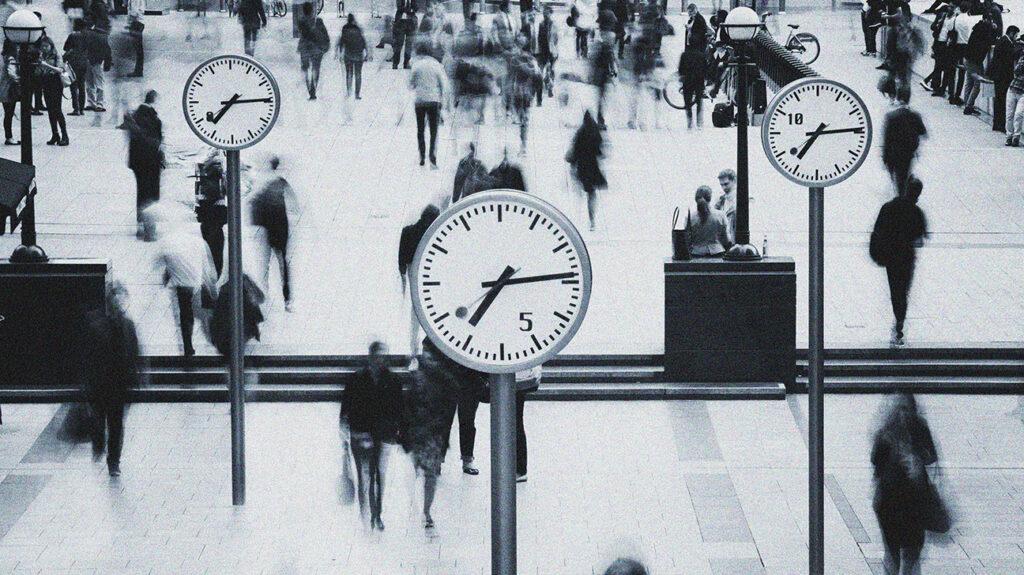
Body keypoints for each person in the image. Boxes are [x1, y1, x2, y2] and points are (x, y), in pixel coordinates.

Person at [871, 394, 944, 575]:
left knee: (901, 553)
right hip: (902, 502)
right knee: (905, 554)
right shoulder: (905, 429)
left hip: (900, 502)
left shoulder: (892, 431)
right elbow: (932, 457)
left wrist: (914, 459)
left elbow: (875, 461)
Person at [340, 341, 403, 531]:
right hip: (362, 434)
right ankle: (366, 514)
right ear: (371, 356)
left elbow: (398, 410)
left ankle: (377, 514)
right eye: (378, 356)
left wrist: (398, 433)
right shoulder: (357, 379)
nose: (381, 360)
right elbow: (346, 409)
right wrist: (346, 433)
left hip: (383, 434)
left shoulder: (392, 380)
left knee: (380, 476)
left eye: (384, 356)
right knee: (364, 475)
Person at [80, 283, 140, 478]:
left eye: (122, 297)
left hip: (119, 383)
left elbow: (134, 352)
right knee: (99, 419)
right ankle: (99, 442)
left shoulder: (128, 325)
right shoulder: (95, 324)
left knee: (116, 424)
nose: (119, 302)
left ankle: (114, 461)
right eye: (116, 297)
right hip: (100, 382)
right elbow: (87, 355)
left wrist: (136, 376)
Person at [405, 338, 458, 530]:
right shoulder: (419, 377)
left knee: (429, 474)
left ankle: (426, 510)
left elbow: (448, 409)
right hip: (421, 433)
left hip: (432, 433)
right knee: (424, 472)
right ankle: (424, 509)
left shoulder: (443, 379)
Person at [871, 177, 927, 347]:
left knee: (895, 289)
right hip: (906, 257)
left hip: (891, 256)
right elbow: (920, 238)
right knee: (903, 288)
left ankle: (899, 316)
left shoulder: (888, 208)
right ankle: (900, 318)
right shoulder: (916, 212)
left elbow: (877, 230)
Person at [156, 208, 219, 357]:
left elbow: (165, 261)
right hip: (197, 282)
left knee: (185, 316)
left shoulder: (169, 242)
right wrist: (211, 286)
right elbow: (208, 267)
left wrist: (166, 277)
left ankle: (188, 346)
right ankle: (212, 340)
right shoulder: (199, 242)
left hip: (182, 286)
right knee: (202, 315)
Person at [250, 156, 295, 311]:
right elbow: (294, 205)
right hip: (281, 231)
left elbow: (253, 201)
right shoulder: (281, 183)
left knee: (265, 264)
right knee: (283, 265)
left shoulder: (266, 184)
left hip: (269, 231)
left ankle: (265, 294)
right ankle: (287, 299)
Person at [398, 205, 440, 366]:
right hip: (426, 271)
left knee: (415, 311)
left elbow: (402, 258)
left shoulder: (408, 231)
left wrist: (402, 272)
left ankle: (414, 350)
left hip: (412, 270)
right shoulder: (431, 233)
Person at [126, 90, 163, 241]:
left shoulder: (135, 115)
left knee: (141, 192)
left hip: (137, 162)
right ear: (154, 100)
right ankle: (150, 226)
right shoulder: (153, 118)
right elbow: (155, 140)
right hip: (150, 162)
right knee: (151, 193)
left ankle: (141, 224)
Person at [566, 111, 606, 231]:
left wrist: (572, 166)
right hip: (592, 168)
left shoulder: (580, 133)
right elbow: (600, 152)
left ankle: (576, 217)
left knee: (579, 193)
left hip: (581, 167)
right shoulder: (595, 134)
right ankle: (592, 220)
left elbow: (574, 152)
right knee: (591, 193)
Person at [409, 43, 447, 168]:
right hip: (434, 101)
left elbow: (411, 85)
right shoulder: (437, 65)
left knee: (420, 129)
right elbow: (443, 84)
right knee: (434, 131)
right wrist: (443, 101)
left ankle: (422, 156)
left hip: (420, 101)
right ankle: (432, 156)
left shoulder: (416, 66)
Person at [881, 107, 926, 195]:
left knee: (897, 175)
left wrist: (885, 156)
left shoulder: (891, 116)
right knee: (903, 174)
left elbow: (887, 139)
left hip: (893, 152)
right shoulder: (915, 116)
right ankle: (903, 190)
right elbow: (922, 132)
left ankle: (900, 193)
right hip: (907, 153)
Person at [195, 153, 227, 276]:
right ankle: (217, 275)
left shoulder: (203, 182)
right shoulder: (217, 184)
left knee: (209, 253)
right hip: (215, 225)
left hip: (207, 224)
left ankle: (212, 276)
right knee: (217, 253)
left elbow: (199, 206)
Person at [961, 12, 997, 114]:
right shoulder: (985, 29)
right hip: (975, 61)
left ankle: (967, 104)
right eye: (990, 20)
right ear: (986, 20)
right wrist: (994, 30)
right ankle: (968, 107)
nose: (991, 22)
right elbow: (991, 41)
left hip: (968, 58)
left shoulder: (977, 27)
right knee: (977, 84)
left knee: (969, 82)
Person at [685, 185, 732, 257]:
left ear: (696, 199)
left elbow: (687, 239)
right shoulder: (721, 215)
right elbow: (726, 239)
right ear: (710, 198)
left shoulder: (690, 217)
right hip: (717, 253)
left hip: (696, 254)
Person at [987, 25, 1018, 132]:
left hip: (998, 75)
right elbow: (1011, 56)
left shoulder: (1002, 40)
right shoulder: (1006, 42)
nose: (1016, 37)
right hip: (1003, 76)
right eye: (1016, 35)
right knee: (1002, 100)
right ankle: (1000, 124)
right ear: (1011, 33)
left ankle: (997, 123)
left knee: (999, 99)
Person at [297, 3, 330, 100]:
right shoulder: (318, 21)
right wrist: (326, 45)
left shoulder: (301, 21)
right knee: (315, 69)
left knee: (306, 69)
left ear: (303, 10)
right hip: (316, 48)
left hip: (304, 47)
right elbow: (325, 34)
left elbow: (303, 33)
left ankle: (310, 91)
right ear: (312, 10)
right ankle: (313, 90)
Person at [514, 364, 540, 482]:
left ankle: (520, 468)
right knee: (517, 421)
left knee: (516, 422)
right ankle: (520, 468)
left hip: (514, 378)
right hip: (519, 378)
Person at [81, 23, 112, 113]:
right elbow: (108, 52)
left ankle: (91, 103)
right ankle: (99, 103)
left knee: (89, 83)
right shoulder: (103, 37)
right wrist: (107, 65)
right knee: (99, 83)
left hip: (87, 61)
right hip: (97, 62)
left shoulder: (86, 35)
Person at [63, 20, 90, 116]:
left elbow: (65, 48)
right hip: (84, 62)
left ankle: (76, 109)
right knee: (82, 85)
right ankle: (82, 109)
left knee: (73, 86)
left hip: (73, 62)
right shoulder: (88, 36)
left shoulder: (73, 36)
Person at [339, 14, 368, 100]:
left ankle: (348, 92)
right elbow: (363, 41)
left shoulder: (345, 28)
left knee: (349, 73)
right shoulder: (358, 29)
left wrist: (340, 52)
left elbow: (342, 41)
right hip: (359, 54)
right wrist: (367, 52)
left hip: (348, 54)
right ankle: (357, 94)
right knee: (358, 74)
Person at [678, 42, 706, 129]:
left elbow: (681, 69)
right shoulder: (701, 55)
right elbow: (705, 68)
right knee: (699, 101)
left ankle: (689, 122)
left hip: (687, 81)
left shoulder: (684, 55)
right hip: (699, 81)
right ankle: (699, 123)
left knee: (687, 102)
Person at [1003, 39, 1024, 146]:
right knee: (1010, 114)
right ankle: (1009, 136)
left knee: (1018, 114)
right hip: (1013, 88)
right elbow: (1016, 70)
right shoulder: (1020, 56)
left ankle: (1016, 136)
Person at [535, 6, 558, 100]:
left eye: (547, 13)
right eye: (544, 13)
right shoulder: (541, 24)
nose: (545, 14)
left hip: (552, 51)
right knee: (541, 69)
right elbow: (539, 38)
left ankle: (550, 88)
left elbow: (556, 38)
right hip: (543, 51)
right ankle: (544, 82)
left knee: (551, 70)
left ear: (550, 13)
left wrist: (554, 49)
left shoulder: (554, 24)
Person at [715, 169, 736, 240]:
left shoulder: (745, 199)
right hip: (725, 241)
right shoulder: (720, 200)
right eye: (721, 185)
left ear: (734, 181)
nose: (723, 188)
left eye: (726, 184)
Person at [0, 41, 15, 145]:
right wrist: (20, 79)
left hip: (2, 89)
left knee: (7, 114)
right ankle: (9, 137)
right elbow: (12, 73)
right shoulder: (10, 58)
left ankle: (8, 136)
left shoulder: (2, 57)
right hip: (9, 89)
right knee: (9, 114)